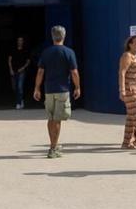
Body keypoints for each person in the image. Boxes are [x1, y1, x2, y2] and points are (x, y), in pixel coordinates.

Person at [33, 26, 82, 158]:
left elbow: (40, 71)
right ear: (64, 36)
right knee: (58, 120)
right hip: (62, 90)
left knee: (51, 118)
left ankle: (53, 144)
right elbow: (74, 72)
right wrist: (77, 87)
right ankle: (53, 148)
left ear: (52, 36)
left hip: (49, 90)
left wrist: (37, 88)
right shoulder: (69, 52)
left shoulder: (46, 52)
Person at [9, 37, 33, 109]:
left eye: (21, 40)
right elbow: (9, 60)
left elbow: (28, 62)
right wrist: (11, 69)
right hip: (14, 71)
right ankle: (21, 100)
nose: (20, 42)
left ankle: (18, 103)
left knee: (20, 87)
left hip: (22, 71)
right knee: (14, 87)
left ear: (23, 42)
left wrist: (23, 68)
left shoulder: (26, 50)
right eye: (19, 40)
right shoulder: (13, 49)